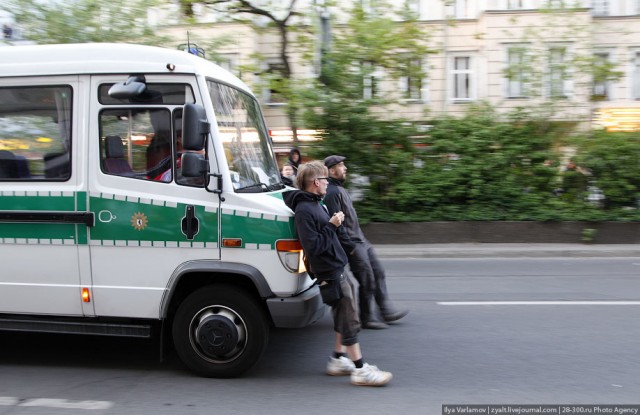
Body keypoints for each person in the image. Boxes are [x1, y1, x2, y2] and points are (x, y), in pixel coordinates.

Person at [283, 161, 392, 387]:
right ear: (316, 183)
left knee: (344, 313)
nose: (327, 184)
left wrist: (341, 232)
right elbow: (313, 247)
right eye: (324, 180)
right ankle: (360, 369)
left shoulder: (317, 204)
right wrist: (332, 225)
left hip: (337, 267)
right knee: (349, 317)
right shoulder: (305, 210)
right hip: (328, 270)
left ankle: (338, 359)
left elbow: (329, 235)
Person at [323, 155, 408, 329]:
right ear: (332, 171)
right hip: (353, 243)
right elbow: (336, 223)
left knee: (378, 272)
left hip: (361, 239)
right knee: (367, 279)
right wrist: (350, 247)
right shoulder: (332, 192)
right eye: (341, 165)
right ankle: (366, 317)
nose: (345, 167)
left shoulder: (340, 189)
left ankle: (386, 310)